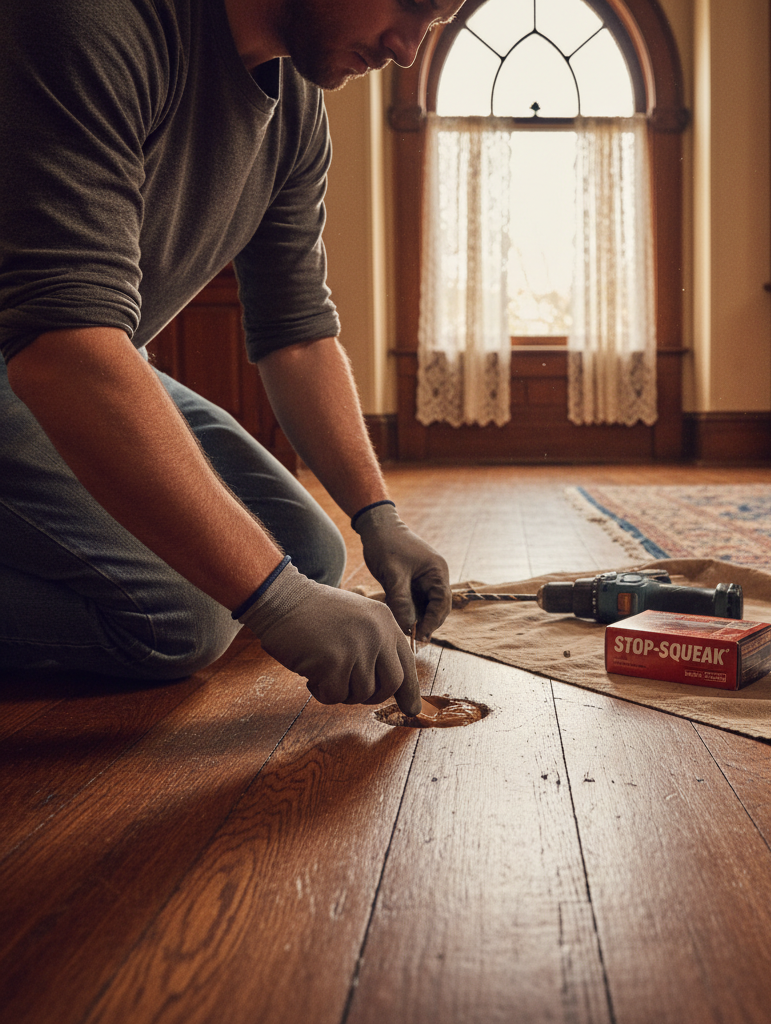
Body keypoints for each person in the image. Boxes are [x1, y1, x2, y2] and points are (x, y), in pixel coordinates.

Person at [0, 0, 466, 715]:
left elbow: (299, 332)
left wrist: (378, 517)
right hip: (45, 353)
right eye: (412, 6)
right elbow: (64, 349)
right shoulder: (90, 19)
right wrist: (274, 601)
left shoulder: (299, 111)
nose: (408, 50)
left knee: (309, 553)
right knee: (181, 618)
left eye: (433, 25)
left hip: (78, 351)